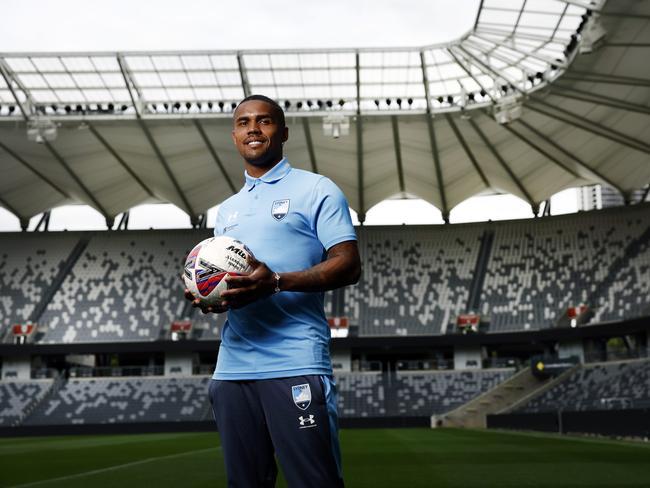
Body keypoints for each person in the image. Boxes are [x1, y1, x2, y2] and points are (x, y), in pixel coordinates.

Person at [185, 94, 360, 487]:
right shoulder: (226, 210)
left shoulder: (317, 189)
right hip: (232, 369)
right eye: (244, 122)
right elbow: (231, 285)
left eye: (264, 121)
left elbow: (349, 264)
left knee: (314, 482)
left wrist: (277, 281)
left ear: (282, 132)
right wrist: (210, 297)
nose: (253, 129)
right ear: (234, 136)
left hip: (294, 360)